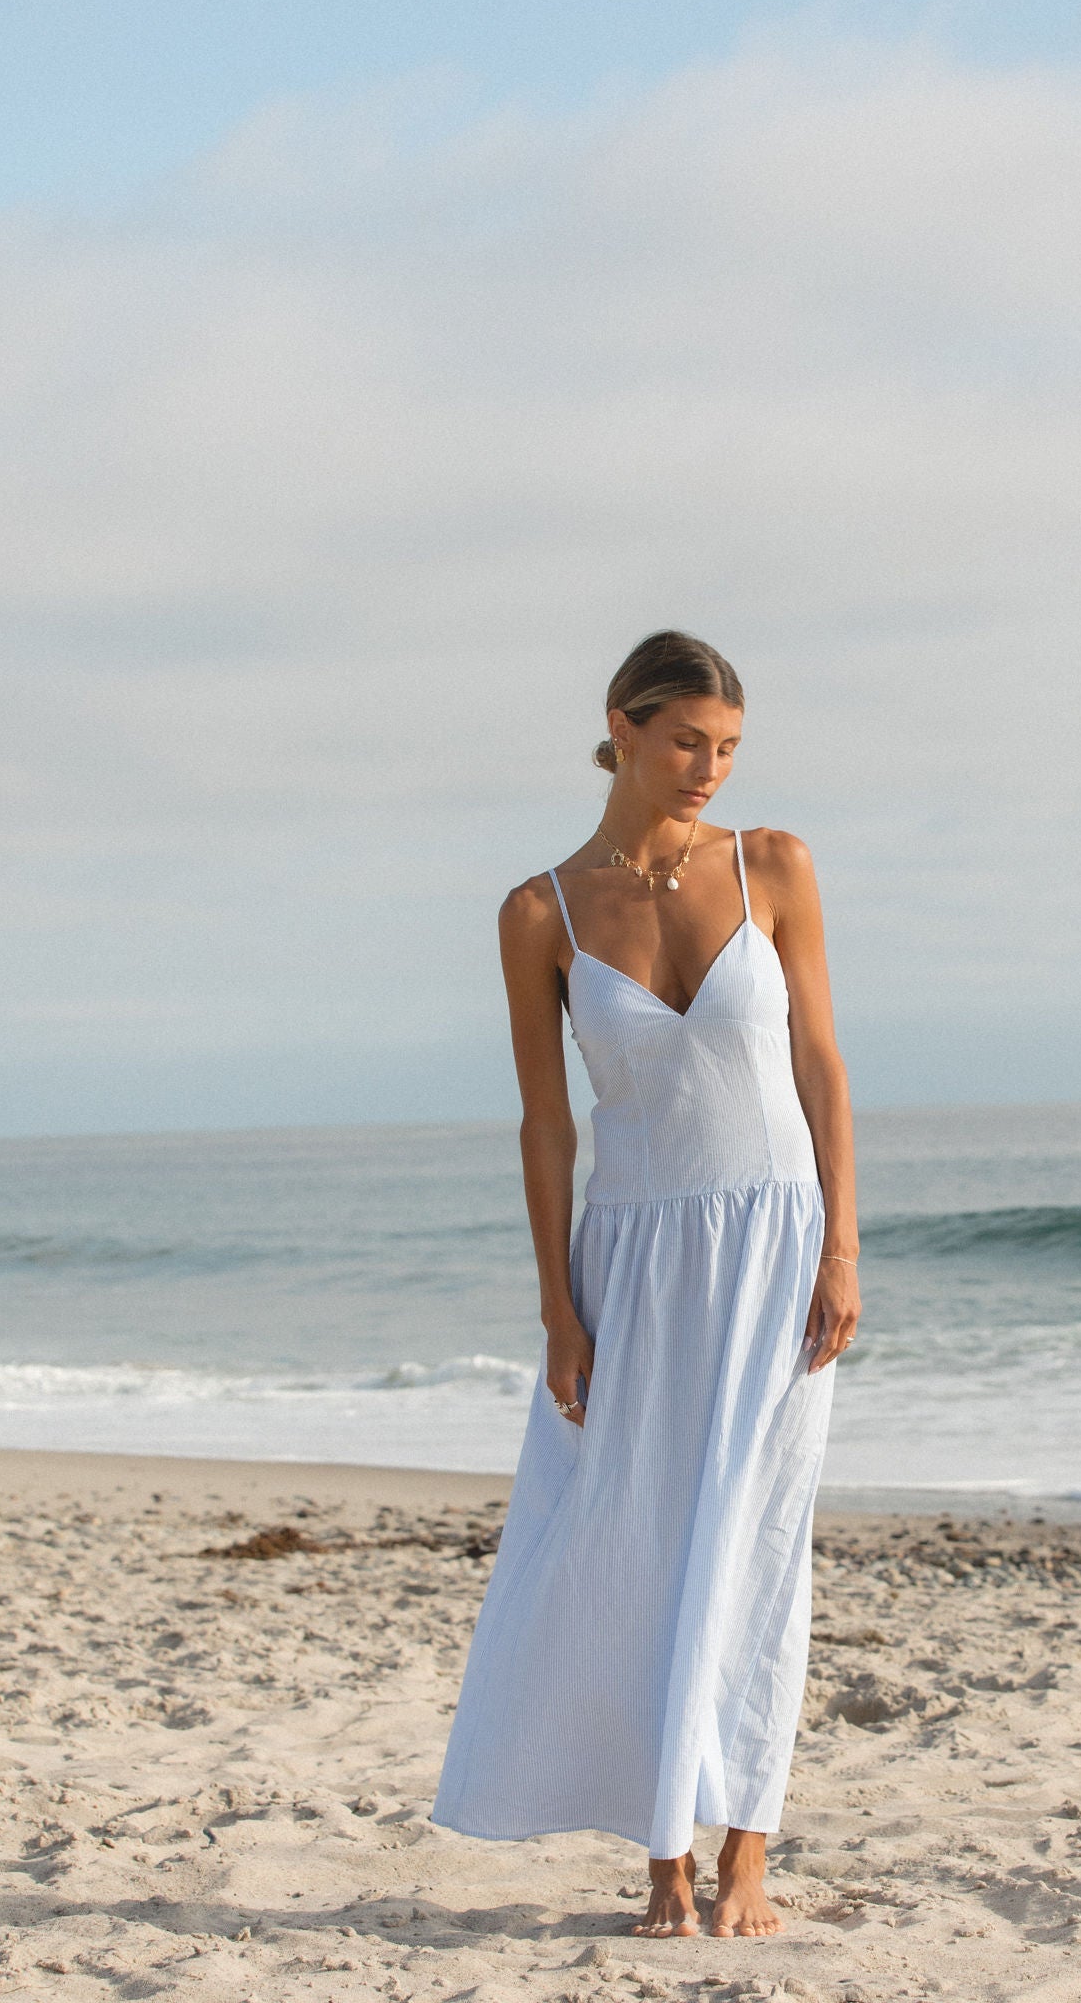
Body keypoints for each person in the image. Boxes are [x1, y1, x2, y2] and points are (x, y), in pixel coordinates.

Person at [431, 630, 860, 1940]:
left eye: (727, 748)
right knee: (633, 1542)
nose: (706, 770)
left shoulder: (771, 865)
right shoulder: (539, 912)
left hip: (774, 1241)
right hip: (630, 1255)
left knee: (756, 1539)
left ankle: (744, 1854)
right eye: (686, 742)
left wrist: (842, 1243)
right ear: (619, 726)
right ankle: (660, 1859)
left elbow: (822, 1066)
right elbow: (545, 1125)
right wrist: (558, 1307)